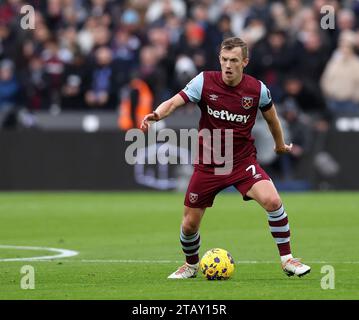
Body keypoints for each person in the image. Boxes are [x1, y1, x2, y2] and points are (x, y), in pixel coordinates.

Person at [141, 37, 311, 279]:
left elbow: (273, 119)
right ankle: (190, 266)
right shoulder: (204, 82)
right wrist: (156, 115)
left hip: (242, 162)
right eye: (224, 60)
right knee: (189, 225)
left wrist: (280, 144)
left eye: (233, 60)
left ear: (245, 62)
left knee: (273, 201)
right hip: (208, 165)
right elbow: (175, 102)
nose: (228, 65)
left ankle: (287, 260)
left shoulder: (258, 90)